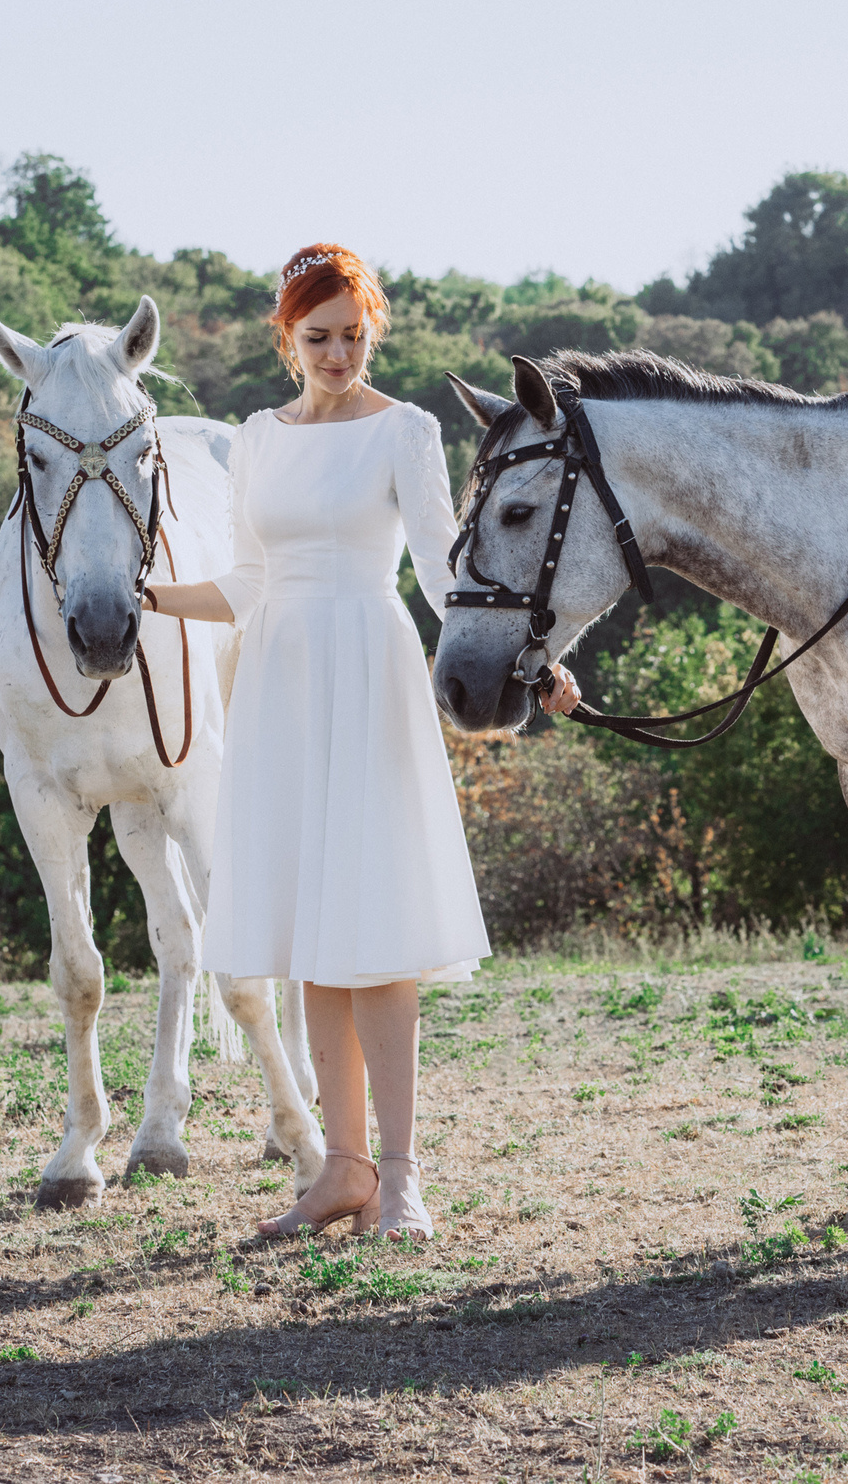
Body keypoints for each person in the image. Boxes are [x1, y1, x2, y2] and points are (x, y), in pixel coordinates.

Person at [143, 243, 580, 1238]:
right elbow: (249, 582)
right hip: (279, 681)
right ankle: (340, 1172)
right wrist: (148, 601)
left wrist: (531, 659)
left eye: (352, 334)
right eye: (318, 337)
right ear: (287, 339)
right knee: (307, 933)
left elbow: (441, 576)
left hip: (368, 668)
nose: (338, 353)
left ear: (371, 329)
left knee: (376, 931)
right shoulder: (255, 438)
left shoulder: (406, 432)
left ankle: (401, 1175)